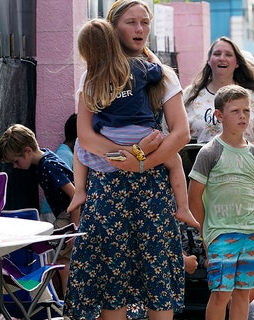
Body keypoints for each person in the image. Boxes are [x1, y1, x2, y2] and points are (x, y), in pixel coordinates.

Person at [64, 1, 195, 319]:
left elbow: (181, 134)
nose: (140, 29)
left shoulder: (160, 74)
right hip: (108, 193)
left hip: (152, 193)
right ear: (112, 28)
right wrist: (127, 156)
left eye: (145, 23)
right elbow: (86, 136)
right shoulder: (92, 76)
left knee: (158, 289)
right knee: (113, 290)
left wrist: (140, 163)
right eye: (132, 22)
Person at [65, 18, 198, 228]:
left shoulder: (91, 79)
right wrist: (149, 53)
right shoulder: (137, 66)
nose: (139, 28)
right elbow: (158, 70)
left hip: (109, 140)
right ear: (114, 38)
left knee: (80, 148)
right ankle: (183, 207)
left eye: (144, 22)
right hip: (143, 135)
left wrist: (127, 151)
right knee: (175, 162)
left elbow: (85, 135)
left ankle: (79, 190)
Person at [188, 85, 254, 320]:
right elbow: (194, 196)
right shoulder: (209, 152)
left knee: (244, 293)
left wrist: (252, 225)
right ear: (219, 115)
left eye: (246, 110)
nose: (243, 115)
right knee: (221, 293)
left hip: (250, 233)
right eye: (235, 111)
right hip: (220, 234)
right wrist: (205, 234)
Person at [0, 123, 79, 296]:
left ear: (28, 151)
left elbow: (76, 195)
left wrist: (74, 229)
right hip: (65, 212)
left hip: (68, 214)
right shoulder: (41, 155)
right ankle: (68, 300)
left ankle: (53, 298)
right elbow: (18, 148)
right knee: (62, 259)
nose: (15, 166)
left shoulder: (49, 166)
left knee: (47, 254)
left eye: (15, 161)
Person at [184, 36, 254, 152]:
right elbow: (174, 131)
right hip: (201, 166)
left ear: (237, 63)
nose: (222, 58)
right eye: (217, 54)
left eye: (228, 55)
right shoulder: (190, 94)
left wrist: (243, 151)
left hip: (243, 167)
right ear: (209, 60)